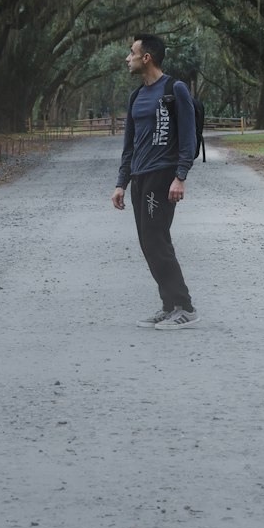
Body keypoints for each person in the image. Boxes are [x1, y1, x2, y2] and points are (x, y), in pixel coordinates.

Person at [111, 35, 198, 329]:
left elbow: (187, 136)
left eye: (131, 52)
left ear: (146, 57)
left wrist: (180, 176)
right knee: (149, 243)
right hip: (139, 176)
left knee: (155, 240)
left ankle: (184, 306)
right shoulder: (136, 97)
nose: (128, 58)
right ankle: (169, 305)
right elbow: (129, 144)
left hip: (163, 175)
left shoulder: (175, 90)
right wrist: (121, 182)